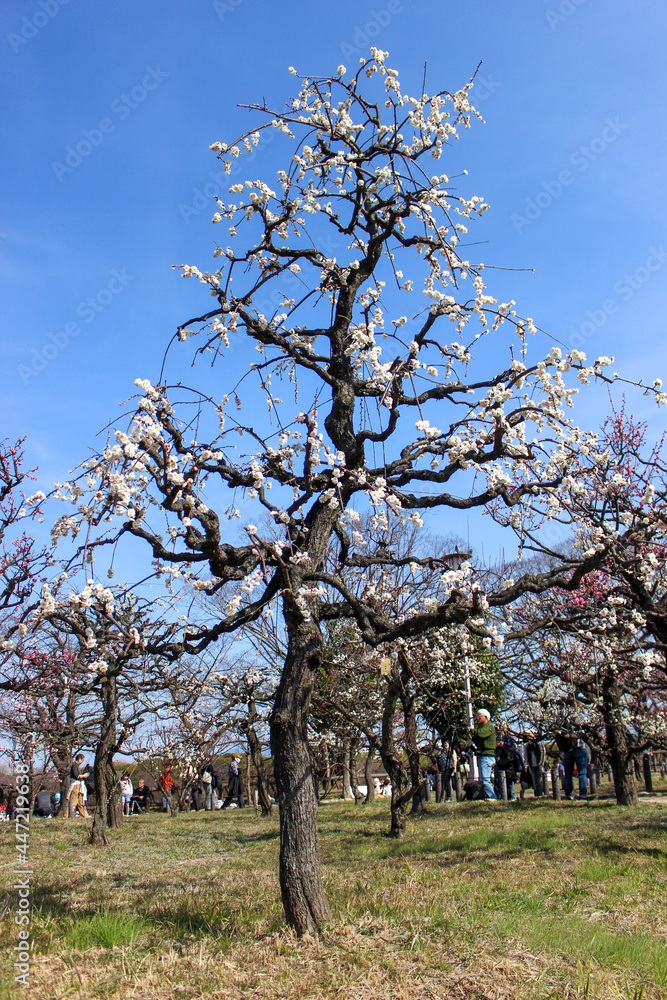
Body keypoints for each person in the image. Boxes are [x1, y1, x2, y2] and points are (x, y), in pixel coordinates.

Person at [469, 709, 497, 800]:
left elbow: (481, 734)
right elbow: (478, 741)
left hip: (487, 756)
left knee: (485, 779)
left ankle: (493, 797)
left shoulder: (489, 727)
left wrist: (472, 731)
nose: (477, 718)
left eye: (479, 716)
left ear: (485, 717)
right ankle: (487, 796)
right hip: (483, 756)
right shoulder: (482, 729)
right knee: (482, 779)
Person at [554, 728, 589, 800]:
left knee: (568, 774)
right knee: (582, 773)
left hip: (567, 750)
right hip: (579, 747)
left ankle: (568, 795)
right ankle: (583, 795)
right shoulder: (579, 719)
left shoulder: (561, 722)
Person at [523, 730, 546, 797]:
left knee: (540, 780)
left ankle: (541, 793)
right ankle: (537, 794)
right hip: (532, 764)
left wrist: (541, 763)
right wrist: (527, 765)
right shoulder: (528, 745)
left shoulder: (538, 743)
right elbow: (526, 755)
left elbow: (542, 753)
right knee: (534, 780)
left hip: (539, 764)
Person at [68, 754, 90, 818]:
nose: (82, 761)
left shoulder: (76, 766)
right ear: (79, 759)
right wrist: (84, 776)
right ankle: (68, 815)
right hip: (75, 785)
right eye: (82, 760)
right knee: (73, 801)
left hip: (79, 785)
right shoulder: (74, 766)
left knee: (81, 801)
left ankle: (85, 815)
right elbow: (77, 776)